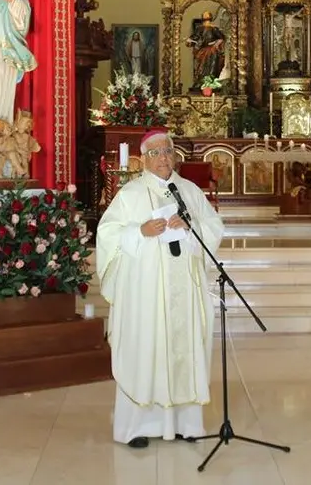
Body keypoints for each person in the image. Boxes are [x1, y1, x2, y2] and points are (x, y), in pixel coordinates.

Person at [95, 130, 225, 448]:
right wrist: (139, 231)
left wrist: (191, 227)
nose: (164, 157)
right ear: (144, 159)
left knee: (183, 350)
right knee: (147, 350)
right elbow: (108, 233)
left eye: (168, 151)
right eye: (156, 153)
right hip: (147, 293)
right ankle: (138, 427)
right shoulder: (131, 193)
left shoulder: (189, 191)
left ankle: (184, 424)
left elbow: (214, 226)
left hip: (185, 292)